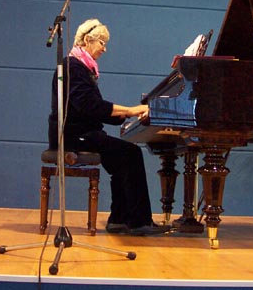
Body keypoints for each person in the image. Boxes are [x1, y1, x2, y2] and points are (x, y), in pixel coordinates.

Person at [48, 19, 170, 236]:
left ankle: (119, 220)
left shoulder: (80, 67)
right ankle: (137, 222)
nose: (104, 49)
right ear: (88, 40)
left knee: (123, 159)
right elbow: (90, 106)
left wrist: (125, 115)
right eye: (102, 43)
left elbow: (93, 109)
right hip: (73, 135)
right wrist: (130, 111)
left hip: (83, 132)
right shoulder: (72, 67)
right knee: (130, 154)